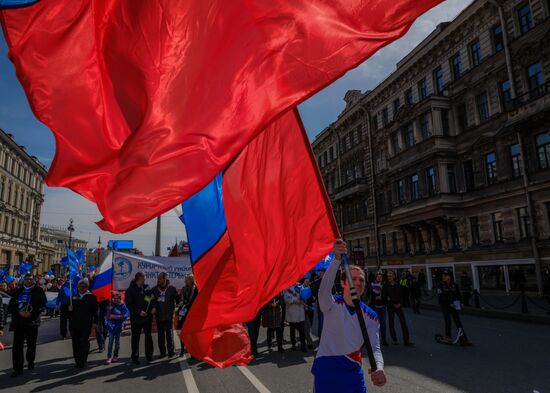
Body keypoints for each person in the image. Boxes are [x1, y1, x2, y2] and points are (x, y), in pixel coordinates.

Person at [312, 240, 386, 393]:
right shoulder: (331, 305)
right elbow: (323, 291)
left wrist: (378, 367)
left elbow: (375, 348)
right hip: (327, 371)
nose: (358, 282)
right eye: (353, 279)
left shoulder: (371, 316)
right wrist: (337, 260)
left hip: (353, 373)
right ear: (343, 283)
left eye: (362, 279)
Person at [8, 274, 47, 378]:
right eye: (27, 279)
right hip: (19, 322)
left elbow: (43, 306)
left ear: (33, 280)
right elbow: (11, 306)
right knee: (17, 346)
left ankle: (30, 361)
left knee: (31, 344)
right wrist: (19, 312)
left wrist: (32, 313)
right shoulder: (17, 291)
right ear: (23, 280)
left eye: (30, 279)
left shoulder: (39, 291)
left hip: (32, 322)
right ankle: (17, 368)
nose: (29, 281)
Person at [436, 270, 472, 346]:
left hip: (454, 305)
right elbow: (441, 297)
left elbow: (458, 294)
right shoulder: (440, 285)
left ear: (449, 276)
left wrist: (461, 302)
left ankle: (463, 338)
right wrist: (449, 303)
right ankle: (448, 336)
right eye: (443, 275)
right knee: (448, 321)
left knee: (458, 322)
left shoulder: (454, 285)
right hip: (445, 306)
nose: (443, 277)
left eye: (445, 275)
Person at [69, 278, 98, 368]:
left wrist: (95, 323)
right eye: (80, 286)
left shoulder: (92, 297)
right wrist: (69, 310)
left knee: (84, 342)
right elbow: (67, 312)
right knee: (75, 342)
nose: (81, 288)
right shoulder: (73, 297)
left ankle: (83, 360)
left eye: (84, 286)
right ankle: (77, 361)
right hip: (75, 324)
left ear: (87, 287)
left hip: (86, 324)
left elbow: (95, 311)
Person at [125, 271, 154, 364]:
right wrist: (139, 312)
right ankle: (135, 357)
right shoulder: (130, 290)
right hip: (136, 318)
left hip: (147, 317)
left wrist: (151, 308)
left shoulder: (146, 287)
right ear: (139, 278)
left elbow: (149, 299)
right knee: (135, 338)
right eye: (144, 277)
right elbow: (129, 304)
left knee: (148, 337)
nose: (145, 279)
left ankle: (149, 356)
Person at [151, 272, 180, 358]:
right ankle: (162, 352)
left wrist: (181, 300)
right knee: (160, 335)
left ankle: (170, 352)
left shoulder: (172, 289)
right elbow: (149, 300)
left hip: (168, 315)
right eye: (158, 278)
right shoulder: (154, 289)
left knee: (169, 335)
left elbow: (178, 299)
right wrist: (152, 306)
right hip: (159, 316)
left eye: (160, 278)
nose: (158, 280)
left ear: (165, 279)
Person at [383, 270, 413, 346]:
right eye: (388, 275)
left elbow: (403, 296)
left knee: (403, 322)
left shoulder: (398, 285)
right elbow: (385, 297)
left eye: (390, 275)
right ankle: (394, 339)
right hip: (391, 307)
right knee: (391, 323)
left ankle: (406, 340)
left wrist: (400, 303)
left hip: (399, 306)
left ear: (394, 276)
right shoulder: (385, 285)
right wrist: (392, 304)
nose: (389, 277)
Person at [105, 291, 129, 364]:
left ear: (120, 298)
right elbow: (107, 316)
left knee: (117, 343)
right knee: (110, 342)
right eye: (114, 298)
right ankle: (109, 357)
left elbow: (126, 314)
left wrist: (117, 317)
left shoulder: (122, 306)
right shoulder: (110, 305)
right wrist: (109, 310)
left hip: (118, 327)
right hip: (111, 326)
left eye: (117, 298)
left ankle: (115, 356)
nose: (115, 300)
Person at [178, 274, 198, 357]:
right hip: (184, 314)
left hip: (192, 314)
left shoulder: (196, 289)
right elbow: (180, 298)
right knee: (183, 332)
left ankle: (193, 352)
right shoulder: (183, 288)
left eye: (186, 279)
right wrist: (181, 302)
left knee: (192, 334)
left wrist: (187, 303)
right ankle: (182, 349)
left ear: (190, 280)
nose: (184, 281)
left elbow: (196, 301)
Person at [367, 271, 388, 346]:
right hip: (374, 306)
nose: (379, 278)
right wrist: (374, 297)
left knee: (383, 325)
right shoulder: (371, 285)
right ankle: (373, 340)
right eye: (378, 276)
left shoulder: (384, 285)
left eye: (381, 277)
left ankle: (384, 340)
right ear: (376, 277)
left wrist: (383, 297)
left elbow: (387, 294)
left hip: (383, 307)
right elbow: (367, 294)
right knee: (374, 325)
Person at [284, 282, 306, 352]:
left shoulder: (300, 285)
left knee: (302, 330)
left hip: (300, 312)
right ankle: (293, 345)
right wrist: (294, 300)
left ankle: (303, 346)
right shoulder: (286, 286)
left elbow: (304, 295)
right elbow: (286, 298)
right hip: (292, 312)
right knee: (292, 330)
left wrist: (304, 299)